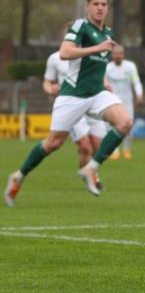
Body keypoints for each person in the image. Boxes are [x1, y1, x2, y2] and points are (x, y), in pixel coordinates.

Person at [5, 0, 134, 206]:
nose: (100, 8)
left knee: (125, 122)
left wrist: (104, 81)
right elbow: (65, 53)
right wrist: (97, 48)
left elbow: (97, 63)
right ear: (87, 7)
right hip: (72, 96)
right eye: (95, 4)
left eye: (104, 4)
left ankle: (90, 169)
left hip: (97, 94)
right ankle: (19, 176)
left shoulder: (108, 32)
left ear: (108, 8)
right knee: (53, 143)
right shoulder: (80, 26)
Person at [41, 27, 108, 189]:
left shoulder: (91, 55)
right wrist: (51, 89)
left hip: (91, 103)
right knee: (85, 146)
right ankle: (93, 178)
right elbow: (46, 82)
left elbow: (101, 75)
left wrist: (106, 85)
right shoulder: (55, 58)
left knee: (98, 148)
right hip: (71, 105)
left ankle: (87, 171)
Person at [106, 45, 143, 160]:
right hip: (112, 101)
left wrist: (139, 94)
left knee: (128, 126)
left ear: (123, 54)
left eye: (120, 53)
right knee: (111, 126)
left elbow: (136, 81)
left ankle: (127, 149)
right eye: (115, 53)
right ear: (112, 55)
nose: (118, 56)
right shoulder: (107, 68)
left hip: (127, 102)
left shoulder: (130, 66)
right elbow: (104, 83)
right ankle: (114, 150)